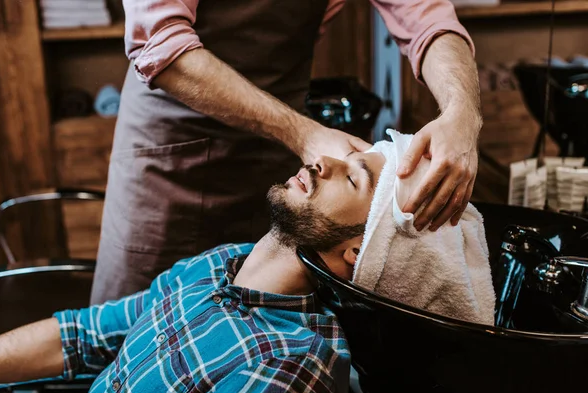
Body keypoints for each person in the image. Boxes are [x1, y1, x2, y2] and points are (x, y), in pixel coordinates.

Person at [91, 0, 482, 304]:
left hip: (278, 157)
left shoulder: (304, 184)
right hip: (174, 153)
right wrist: (300, 133)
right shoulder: (307, 148)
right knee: (133, 329)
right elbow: (160, 42)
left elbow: (428, 20)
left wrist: (462, 111)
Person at [0, 151, 386, 393]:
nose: (323, 161)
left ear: (356, 252)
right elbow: (83, 336)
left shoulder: (290, 364)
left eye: (353, 178)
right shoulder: (221, 262)